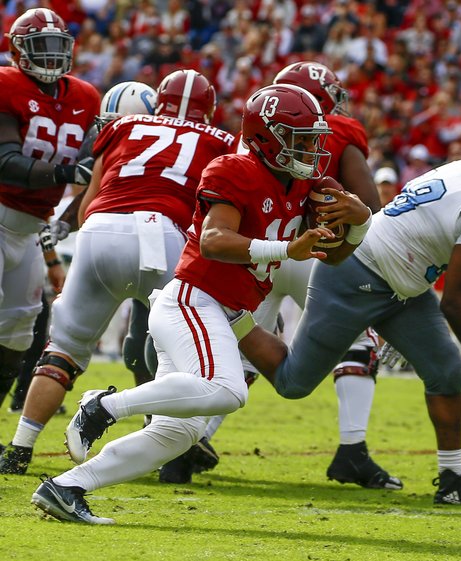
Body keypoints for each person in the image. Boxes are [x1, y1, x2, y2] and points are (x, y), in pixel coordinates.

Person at [32, 83, 369, 524]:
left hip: (224, 311)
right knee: (227, 390)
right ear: (266, 136)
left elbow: (334, 255)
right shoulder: (233, 168)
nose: (311, 148)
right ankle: (103, 406)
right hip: (193, 299)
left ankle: (66, 487)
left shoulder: (310, 185)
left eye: (313, 138)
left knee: (178, 433)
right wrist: (287, 250)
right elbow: (213, 242)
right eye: (299, 137)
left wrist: (359, 224)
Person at [238, 125, 461, 506]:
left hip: (402, 285)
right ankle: (233, 316)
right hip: (355, 274)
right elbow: (455, 303)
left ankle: (452, 481)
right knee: (294, 382)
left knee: (447, 371)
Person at [158, 60, 399, 488]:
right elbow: (367, 202)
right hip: (302, 251)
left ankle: (189, 443)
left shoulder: (250, 137)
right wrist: (352, 221)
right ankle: (353, 449)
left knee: (240, 344)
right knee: (357, 338)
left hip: (256, 258)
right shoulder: (333, 132)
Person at [1, 70, 233, 475]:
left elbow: (91, 198)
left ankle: (19, 449)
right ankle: (169, 450)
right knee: (180, 358)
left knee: (63, 351)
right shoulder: (221, 142)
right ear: (210, 110)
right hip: (165, 234)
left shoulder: (125, 125)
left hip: (101, 229)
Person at [0, 8, 100, 467]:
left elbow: (94, 156)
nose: (52, 57)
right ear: (18, 52)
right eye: (42, 48)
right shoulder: (7, 84)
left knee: (19, 333)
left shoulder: (84, 96)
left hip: (29, 224)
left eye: (59, 47)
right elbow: (5, 158)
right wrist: (65, 171)